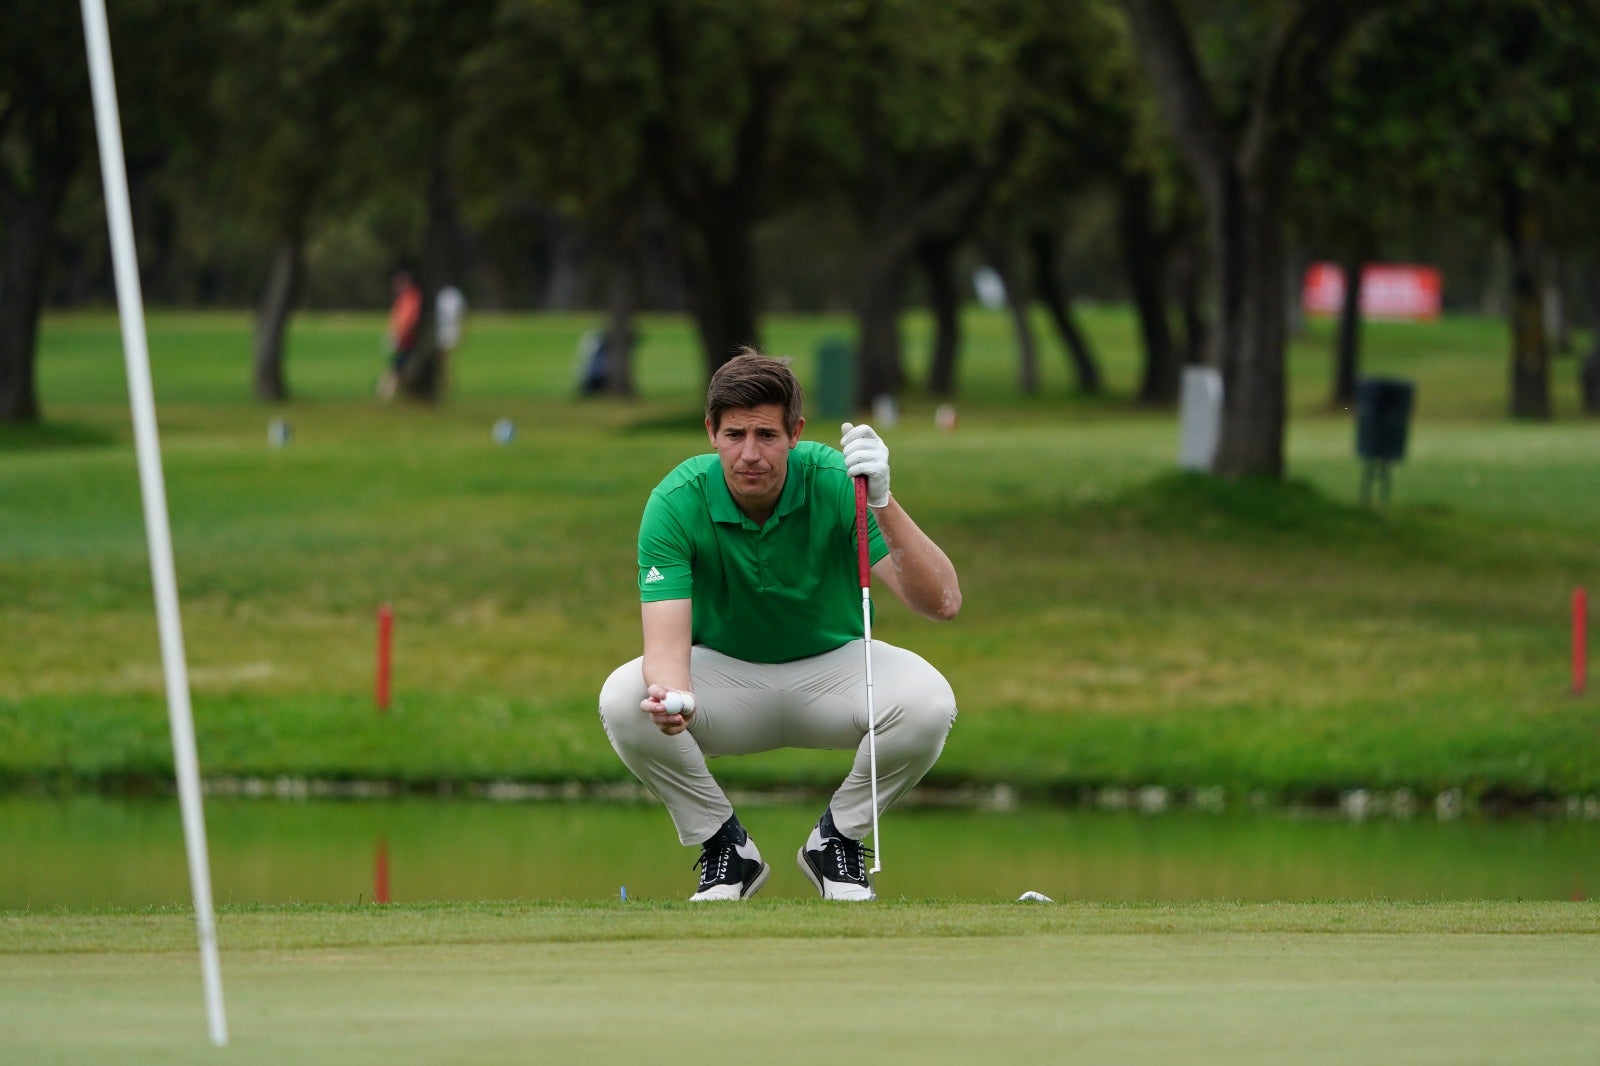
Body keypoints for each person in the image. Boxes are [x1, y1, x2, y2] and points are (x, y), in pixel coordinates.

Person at [598, 349, 962, 902]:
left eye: (766, 435)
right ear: (710, 432)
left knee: (930, 701)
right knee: (625, 698)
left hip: (834, 674)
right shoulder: (675, 502)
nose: (749, 454)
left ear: (796, 432)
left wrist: (883, 500)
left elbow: (942, 601)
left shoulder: (840, 482)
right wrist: (673, 698)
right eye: (734, 434)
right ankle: (726, 849)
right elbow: (666, 644)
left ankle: (837, 840)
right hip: (726, 682)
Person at [376, 268, 422, 400]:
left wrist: (396, 337)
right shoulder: (404, 299)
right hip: (405, 342)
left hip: (409, 342)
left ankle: (384, 395)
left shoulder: (410, 298)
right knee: (397, 370)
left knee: (395, 371)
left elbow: (407, 320)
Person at [434, 283, 467, 395]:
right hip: (442, 331)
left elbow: (461, 314)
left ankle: (446, 382)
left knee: (446, 359)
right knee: (443, 360)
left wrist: (462, 331)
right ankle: (445, 382)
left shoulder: (453, 295)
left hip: (450, 331)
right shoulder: (445, 294)